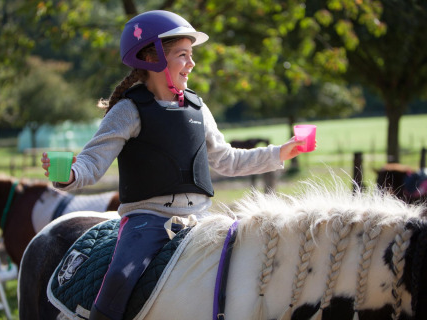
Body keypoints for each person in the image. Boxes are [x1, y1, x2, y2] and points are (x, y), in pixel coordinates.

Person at [41, 10, 311, 320]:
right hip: (146, 223)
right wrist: (69, 174)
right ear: (153, 58)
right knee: (119, 279)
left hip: (202, 219)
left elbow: (226, 158)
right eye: (183, 55)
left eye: (191, 55)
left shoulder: (198, 107)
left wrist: (280, 153)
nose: (192, 63)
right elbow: (92, 162)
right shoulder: (128, 111)